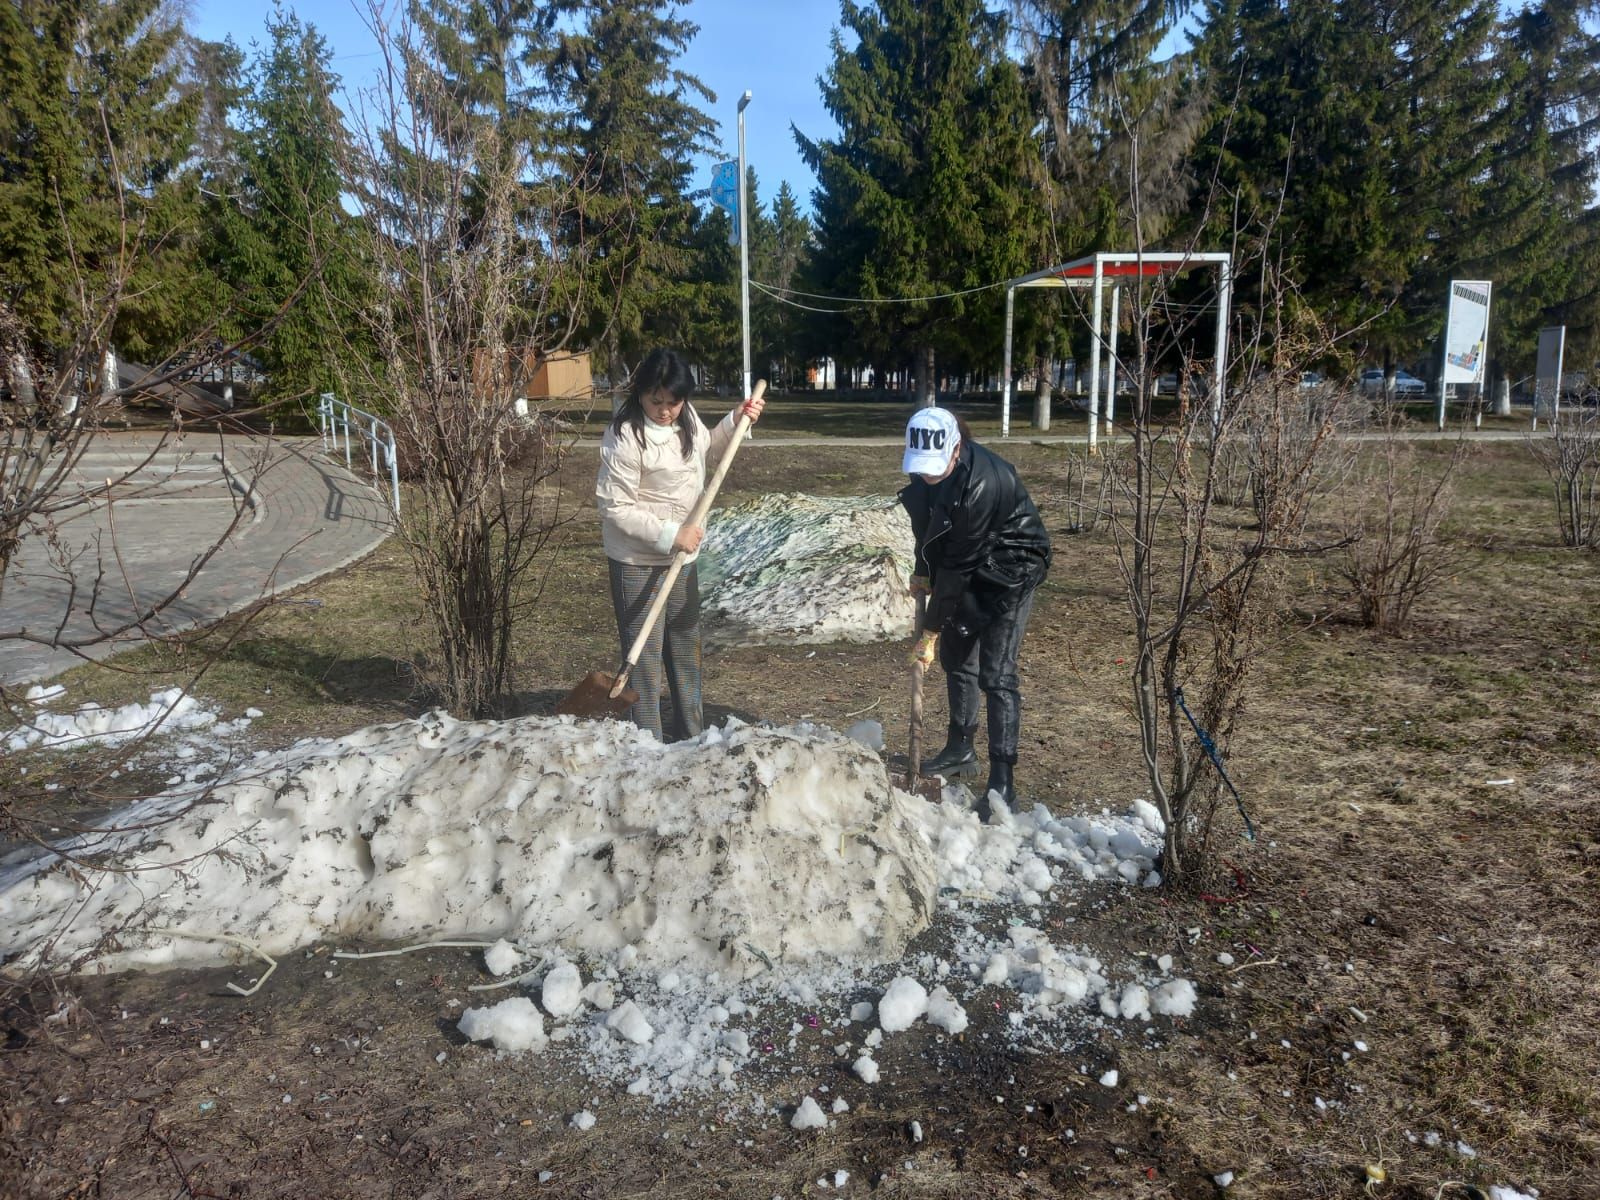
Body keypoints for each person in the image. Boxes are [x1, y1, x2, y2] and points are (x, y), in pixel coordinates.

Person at [595, 348, 765, 741]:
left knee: (686, 651)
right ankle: (648, 745)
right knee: (646, 661)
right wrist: (672, 534)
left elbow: (707, 451)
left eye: (674, 401)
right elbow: (614, 507)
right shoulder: (625, 436)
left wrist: (735, 421)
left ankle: (691, 736)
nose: (666, 410)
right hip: (637, 561)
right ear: (641, 394)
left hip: (682, 560)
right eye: (657, 401)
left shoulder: (686, 418)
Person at [900, 406, 1051, 821]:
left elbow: (958, 568)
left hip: (1012, 567)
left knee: (997, 673)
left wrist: (928, 631)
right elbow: (929, 529)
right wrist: (921, 569)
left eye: (935, 468)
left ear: (957, 449)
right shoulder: (927, 469)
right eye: (922, 468)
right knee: (956, 657)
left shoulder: (983, 483)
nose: (927, 475)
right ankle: (959, 748)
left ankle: (1003, 782)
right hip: (967, 562)